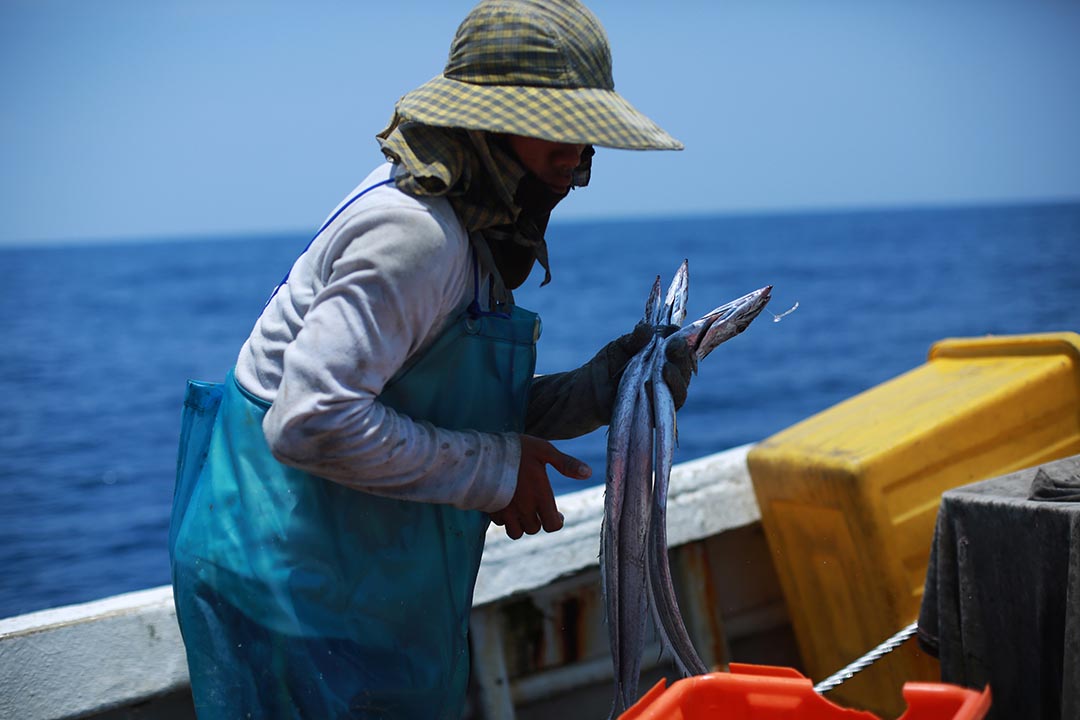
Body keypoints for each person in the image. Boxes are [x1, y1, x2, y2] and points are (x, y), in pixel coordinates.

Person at [169, 0, 692, 717]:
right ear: (487, 122)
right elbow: (311, 421)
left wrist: (607, 386)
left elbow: (440, 404)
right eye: (558, 131)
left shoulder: (471, 225)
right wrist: (497, 470)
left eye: (586, 136)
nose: (576, 159)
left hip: (345, 574)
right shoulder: (415, 235)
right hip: (285, 584)